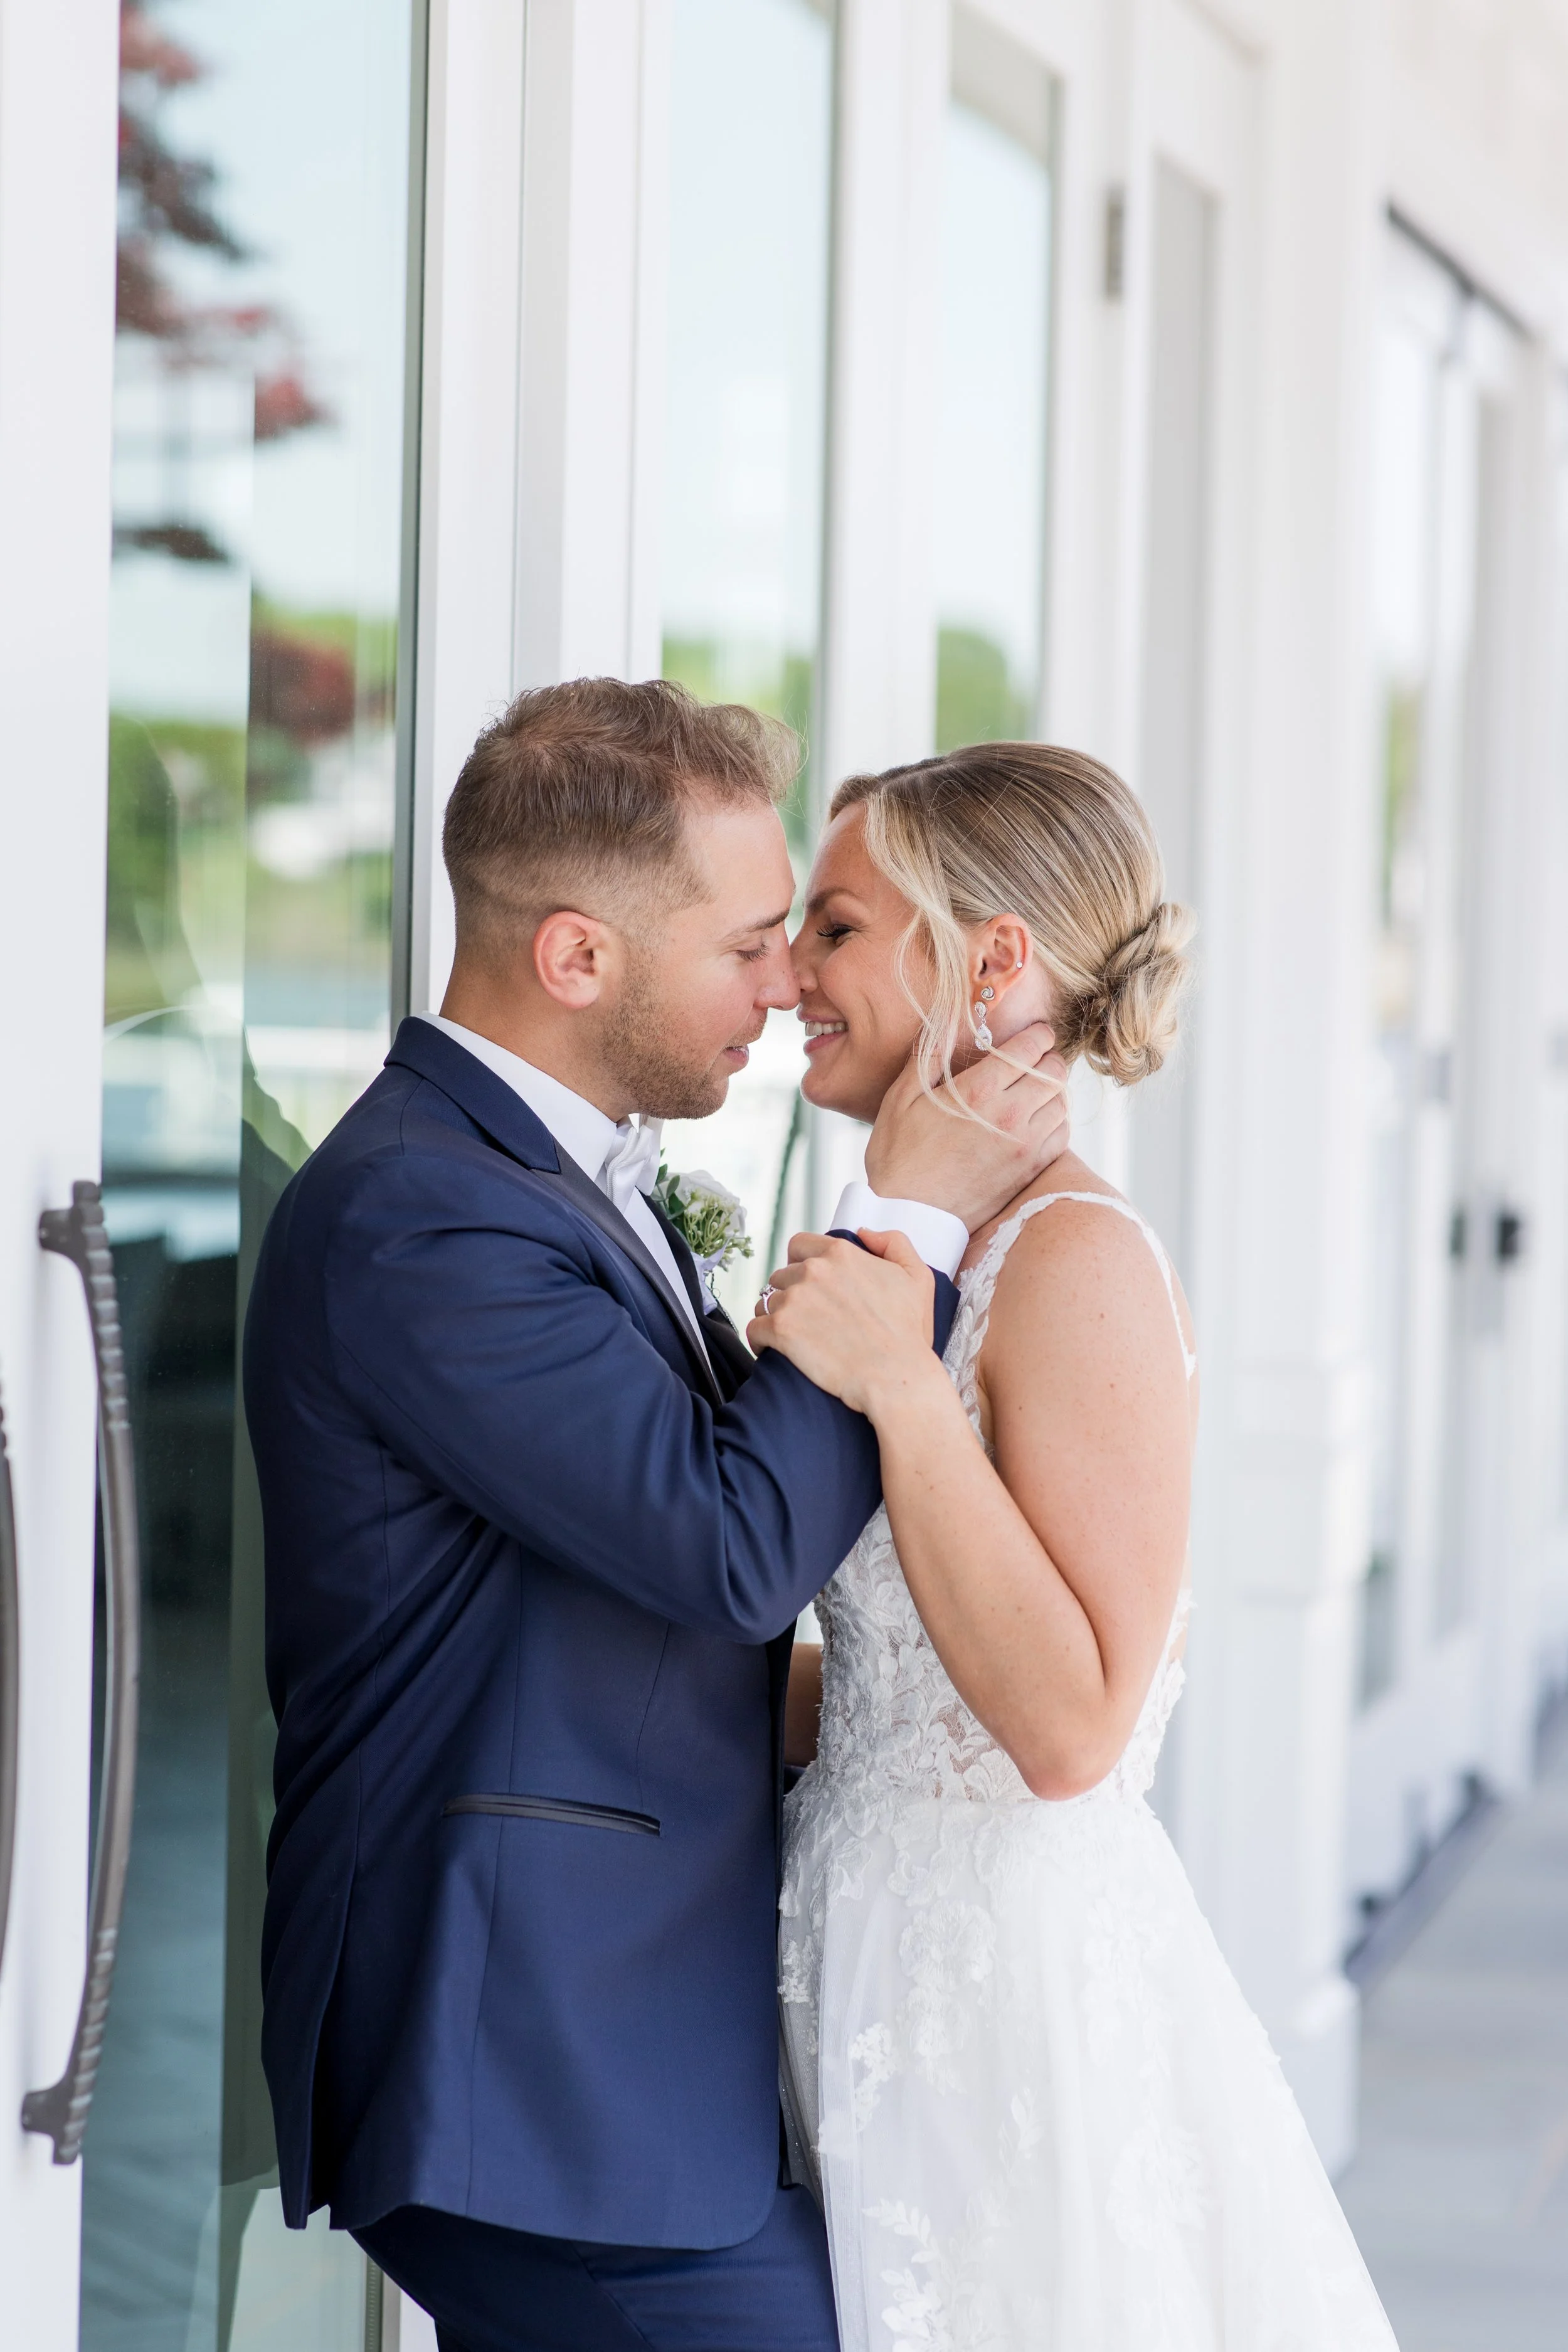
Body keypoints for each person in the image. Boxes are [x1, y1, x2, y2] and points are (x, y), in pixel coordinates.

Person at [242, 679, 1072, 2352]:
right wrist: (898, 1216)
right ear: (575, 957)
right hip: (519, 2062)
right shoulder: (426, 1217)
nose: (786, 987)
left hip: (616, 2043)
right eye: (750, 940)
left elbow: (608, 1606)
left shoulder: (547, 1173)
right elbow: (727, 1543)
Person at [755, 743, 1401, 2352]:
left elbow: (1067, 1727)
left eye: (833, 928)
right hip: (860, 1954)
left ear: (984, 960)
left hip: (998, 2015)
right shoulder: (936, 1244)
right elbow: (912, 1680)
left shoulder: (1074, 1261)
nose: (787, 975)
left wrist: (898, 1383)